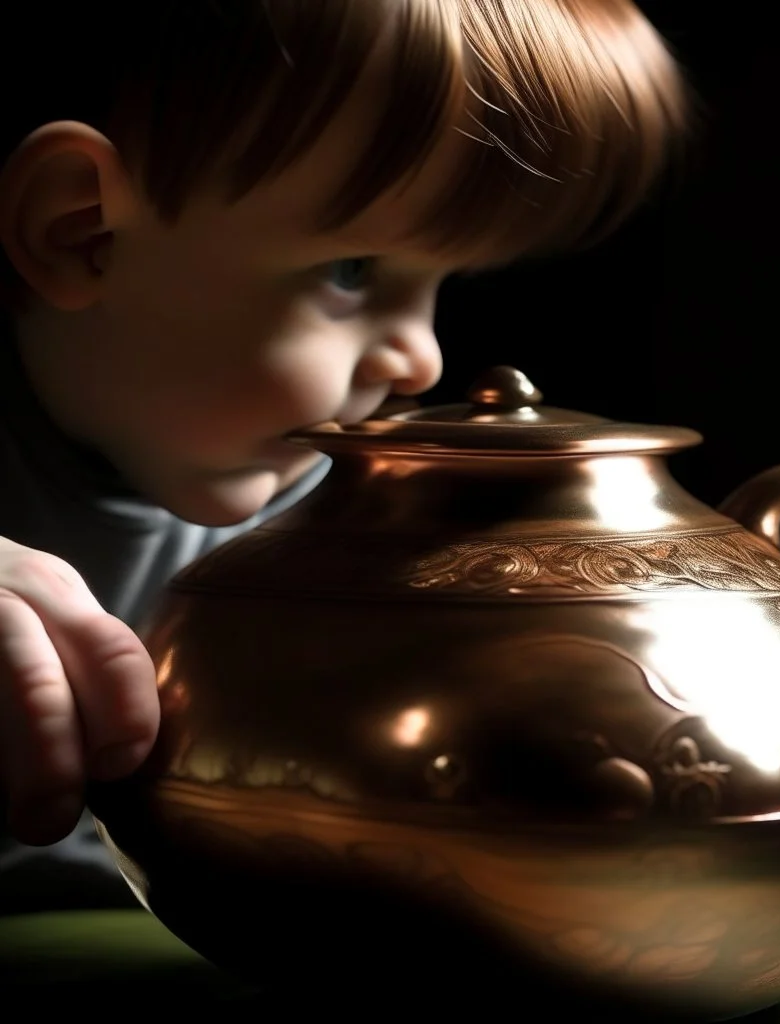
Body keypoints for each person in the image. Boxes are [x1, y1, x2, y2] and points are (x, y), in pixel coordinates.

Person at [0, 0, 686, 913]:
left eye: (441, 287)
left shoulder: (335, 531)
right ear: (81, 229)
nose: (422, 361)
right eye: (353, 271)